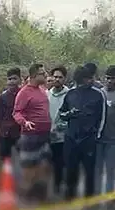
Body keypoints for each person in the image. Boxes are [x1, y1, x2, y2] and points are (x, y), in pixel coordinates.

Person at [58, 66, 106, 202]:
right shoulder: (71, 94)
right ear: (81, 79)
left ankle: (89, 197)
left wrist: (97, 135)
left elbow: (102, 117)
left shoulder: (98, 94)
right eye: (88, 78)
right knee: (71, 167)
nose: (91, 80)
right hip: (71, 137)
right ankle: (69, 194)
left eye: (92, 78)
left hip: (89, 138)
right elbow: (62, 114)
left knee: (89, 170)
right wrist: (70, 114)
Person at [13, 63, 53, 202]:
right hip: (30, 136)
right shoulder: (24, 93)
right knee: (29, 168)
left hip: (44, 135)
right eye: (42, 73)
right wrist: (25, 122)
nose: (46, 75)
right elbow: (17, 113)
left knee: (44, 165)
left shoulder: (42, 90)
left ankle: (40, 193)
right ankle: (26, 194)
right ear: (34, 76)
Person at [96, 65, 115, 197]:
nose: (109, 81)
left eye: (112, 78)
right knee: (97, 170)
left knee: (110, 170)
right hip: (99, 138)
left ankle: (109, 197)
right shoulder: (99, 93)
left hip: (113, 138)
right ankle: (94, 196)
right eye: (107, 78)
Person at [47, 65, 70, 197]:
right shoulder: (46, 95)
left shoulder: (69, 95)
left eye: (60, 77)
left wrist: (60, 127)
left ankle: (59, 188)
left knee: (60, 164)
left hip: (63, 137)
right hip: (48, 136)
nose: (57, 79)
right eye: (55, 77)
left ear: (64, 79)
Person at [0, 68, 22, 163]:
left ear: (20, 80)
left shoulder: (24, 95)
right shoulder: (3, 97)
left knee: (20, 160)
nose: (12, 81)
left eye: (14, 78)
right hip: (5, 134)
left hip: (20, 133)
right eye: (9, 79)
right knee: (6, 161)